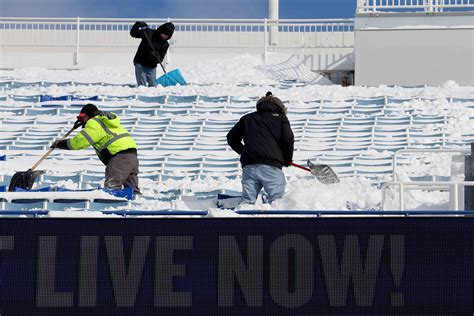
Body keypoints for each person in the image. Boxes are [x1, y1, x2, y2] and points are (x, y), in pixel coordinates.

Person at [51, 104, 140, 195]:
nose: (83, 120)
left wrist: (61, 144)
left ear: (89, 115)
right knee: (132, 190)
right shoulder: (107, 121)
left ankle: (112, 204)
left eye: (84, 117)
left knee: (112, 187)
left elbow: (80, 141)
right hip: (131, 155)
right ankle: (135, 203)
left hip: (119, 157)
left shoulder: (94, 122)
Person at [227, 92, 294, 204]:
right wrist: (287, 159)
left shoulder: (247, 118)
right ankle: (279, 222)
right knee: (277, 201)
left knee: (247, 202)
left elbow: (231, 138)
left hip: (249, 167)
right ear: (279, 107)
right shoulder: (280, 118)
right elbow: (288, 139)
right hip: (271, 167)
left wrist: (244, 151)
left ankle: (242, 220)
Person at [130, 21, 175, 87]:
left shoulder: (165, 44)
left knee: (153, 86)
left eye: (168, 35)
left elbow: (160, 59)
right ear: (161, 30)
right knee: (142, 86)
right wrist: (137, 25)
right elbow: (133, 33)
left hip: (151, 67)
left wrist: (154, 56)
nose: (165, 36)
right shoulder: (148, 33)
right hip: (140, 63)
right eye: (164, 34)